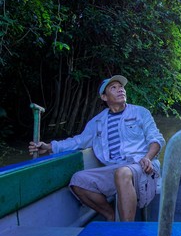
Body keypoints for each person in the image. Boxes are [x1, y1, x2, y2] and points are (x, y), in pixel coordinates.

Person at [28, 75, 165, 221]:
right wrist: (49, 147)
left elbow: (156, 139)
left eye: (121, 87)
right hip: (115, 168)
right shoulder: (98, 121)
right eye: (114, 88)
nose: (120, 90)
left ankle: (125, 231)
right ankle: (109, 215)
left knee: (122, 173)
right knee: (78, 180)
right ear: (104, 97)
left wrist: (147, 158)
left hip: (142, 165)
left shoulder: (140, 112)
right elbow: (78, 141)